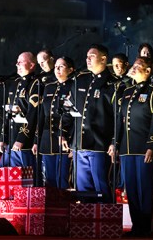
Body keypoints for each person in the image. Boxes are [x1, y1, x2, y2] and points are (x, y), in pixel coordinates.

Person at [114, 56, 153, 238]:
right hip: (127, 150)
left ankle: (147, 228)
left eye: (139, 66)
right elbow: (120, 121)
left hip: (144, 149)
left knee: (146, 190)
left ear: (148, 70)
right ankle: (137, 226)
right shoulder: (127, 92)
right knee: (132, 190)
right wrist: (116, 144)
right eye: (134, 66)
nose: (134, 68)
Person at [61, 44, 118, 202]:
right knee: (82, 190)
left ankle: (106, 224)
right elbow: (68, 110)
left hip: (100, 145)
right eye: (87, 57)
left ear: (103, 58)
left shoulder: (113, 84)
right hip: (79, 144)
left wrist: (114, 141)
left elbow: (118, 117)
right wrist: (63, 134)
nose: (88, 60)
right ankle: (87, 224)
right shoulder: (80, 80)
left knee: (102, 187)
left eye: (91, 56)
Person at [34, 56, 75, 188]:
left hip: (64, 139)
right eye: (56, 66)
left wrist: (72, 141)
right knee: (49, 180)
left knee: (63, 179)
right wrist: (36, 140)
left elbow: (74, 117)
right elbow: (42, 115)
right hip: (47, 139)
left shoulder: (73, 87)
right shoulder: (49, 87)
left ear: (70, 69)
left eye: (61, 66)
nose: (57, 69)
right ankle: (52, 207)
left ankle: (63, 207)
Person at [0, 51, 38, 168]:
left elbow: (32, 115)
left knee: (24, 178)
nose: (17, 65)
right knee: (3, 174)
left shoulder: (35, 84)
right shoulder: (15, 83)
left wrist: (21, 139)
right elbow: (8, 114)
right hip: (11, 139)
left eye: (20, 62)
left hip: (24, 142)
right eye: (17, 62)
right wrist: (3, 137)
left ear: (31, 65)